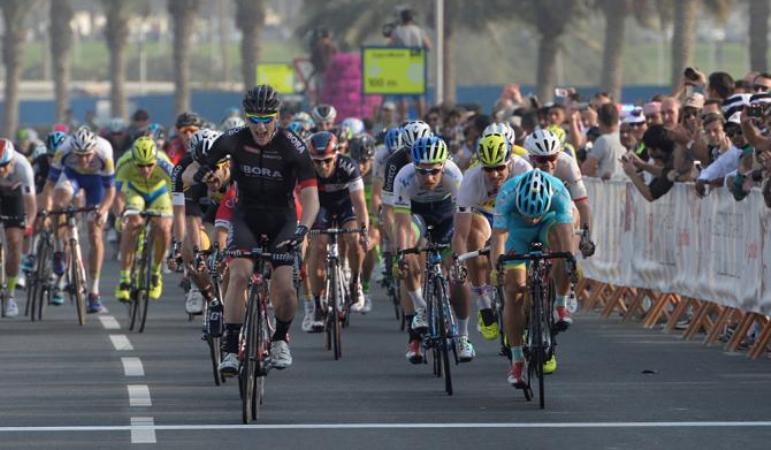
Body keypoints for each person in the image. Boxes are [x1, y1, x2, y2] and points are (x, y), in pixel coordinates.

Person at [195, 84, 320, 375]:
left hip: (284, 220)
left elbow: (311, 197)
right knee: (237, 276)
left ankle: (279, 339)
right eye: (255, 119)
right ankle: (229, 348)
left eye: (267, 120)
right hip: (246, 216)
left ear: (277, 117)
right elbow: (196, 169)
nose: (261, 127)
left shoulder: (293, 145)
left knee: (285, 288)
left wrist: (303, 229)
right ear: (246, 118)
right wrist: (202, 178)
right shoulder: (233, 140)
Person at [491, 169, 575, 388]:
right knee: (513, 289)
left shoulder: (559, 191)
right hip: (516, 232)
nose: (532, 219)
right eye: (528, 213)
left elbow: (567, 238)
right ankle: (517, 361)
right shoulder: (507, 194)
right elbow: (498, 238)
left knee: (563, 251)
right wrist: (496, 267)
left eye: (535, 214)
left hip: (549, 224)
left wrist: (570, 264)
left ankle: (560, 304)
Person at [387, 136, 463, 364]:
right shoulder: (404, 177)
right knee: (409, 254)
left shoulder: (454, 174)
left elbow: (462, 223)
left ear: (443, 166)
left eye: (434, 172)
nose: (428, 177)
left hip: (446, 215)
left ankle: (456, 323)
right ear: (414, 167)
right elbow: (401, 224)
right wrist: (403, 252)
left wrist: (458, 256)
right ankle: (419, 307)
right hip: (416, 214)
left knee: (455, 263)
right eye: (422, 172)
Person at [453, 133, 531, 350]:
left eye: (499, 167)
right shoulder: (470, 180)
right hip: (485, 213)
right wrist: (459, 264)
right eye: (488, 169)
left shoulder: (524, 170)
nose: (494, 174)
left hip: (516, 213)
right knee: (473, 235)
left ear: (510, 162)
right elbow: (460, 233)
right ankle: (484, 302)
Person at [41, 126, 115, 313]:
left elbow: (111, 191)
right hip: (72, 177)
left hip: (97, 183)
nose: (83, 160)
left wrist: (103, 210)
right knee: (60, 203)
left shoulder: (104, 151)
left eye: (87, 155)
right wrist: (48, 209)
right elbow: (49, 186)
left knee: (95, 235)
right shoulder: (64, 150)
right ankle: (59, 250)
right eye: (79, 155)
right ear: (72, 150)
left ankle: (94, 292)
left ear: (94, 150)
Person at [305, 131, 369, 331]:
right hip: (319, 206)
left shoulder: (348, 166)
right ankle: (317, 304)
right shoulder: (306, 169)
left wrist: (364, 229)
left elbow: (359, 204)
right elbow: (302, 202)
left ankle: (355, 280)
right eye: (317, 161)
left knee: (354, 238)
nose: (322, 167)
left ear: (337, 155)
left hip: (344, 205)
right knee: (318, 247)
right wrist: (303, 229)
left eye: (327, 161)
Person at [169, 128, 226, 315]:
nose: (209, 168)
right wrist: (184, 248)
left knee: (225, 248)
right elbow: (182, 213)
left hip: (223, 210)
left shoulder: (232, 163)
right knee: (189, 249)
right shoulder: (181, 170)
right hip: (200, 210)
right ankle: (202, 290)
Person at [113, 137, 174, 303]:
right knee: (132, 224)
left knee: (164, 227)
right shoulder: (124, 163)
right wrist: (120, 216)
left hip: (159, 193)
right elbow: (117, 196)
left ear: (156, 160)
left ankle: (155, 272)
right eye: (140, 165)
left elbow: (176, 196)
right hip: (135, 192)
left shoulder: (165, 164)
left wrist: (174, 218)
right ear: (134, 160)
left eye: (149, 165)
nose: (145, 170)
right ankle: (125, 278)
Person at [0, 139, 36, 317]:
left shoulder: (23, 167)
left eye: (4, 165)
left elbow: (31, 204)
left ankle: (10, 296)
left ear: (11, 161)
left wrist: (28, 224)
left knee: (14, 241)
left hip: (14, 197)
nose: (0, 170)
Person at [389, 8, 431, 119]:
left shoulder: (397, 31)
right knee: (418, 95)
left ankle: (403, 119)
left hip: (401, 65)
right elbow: (428, 45)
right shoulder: (419, 30)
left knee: (402, 95)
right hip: (416, 64)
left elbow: (390, 46)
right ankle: (421, 118)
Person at [581, 103, 626, 180]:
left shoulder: (603, 140)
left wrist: (598, 176)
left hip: (607, 188)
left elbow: (586, 169)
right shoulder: (625, 138)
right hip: (625, 187)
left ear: (599, 120)